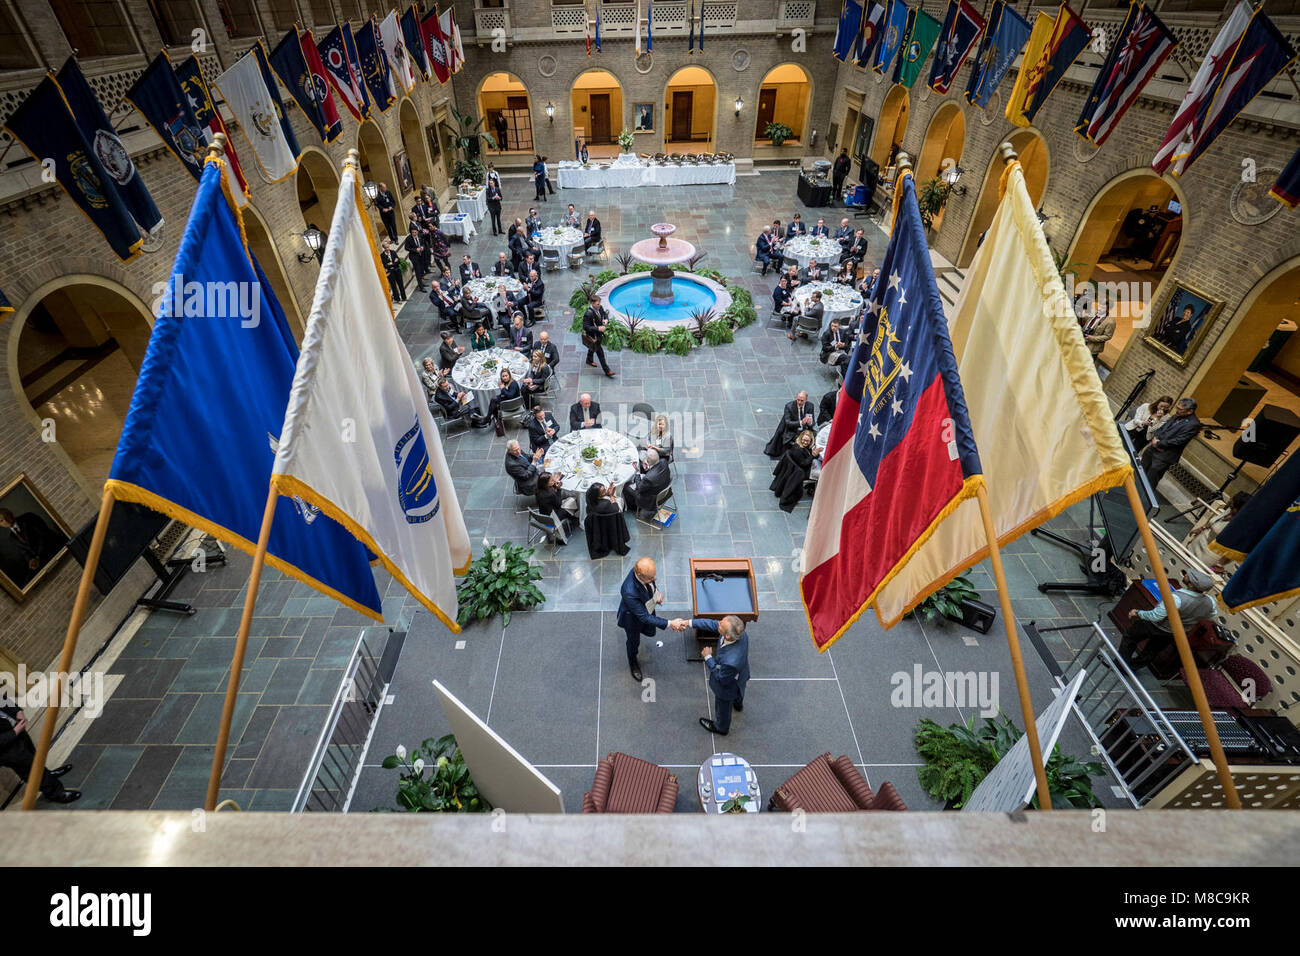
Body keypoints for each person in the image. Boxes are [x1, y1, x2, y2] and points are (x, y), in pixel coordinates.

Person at [1120, 568, 1217, 669]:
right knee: (1152, 651)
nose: (1185, 575)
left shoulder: (1176, 598)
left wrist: (1138, 613)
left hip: (1155, 626)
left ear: (1192, 585)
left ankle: (1120, 665)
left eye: (1188, 576)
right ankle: (1132, 667)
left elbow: (1156, 616)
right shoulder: (1210, 602)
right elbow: (1210, 616)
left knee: (1130, 637)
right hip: (1174, 633)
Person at [616, 557, 689, 682]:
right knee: (633, 642)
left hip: (645, 607)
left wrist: (656, 593)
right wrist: (670, 623)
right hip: (632, 619)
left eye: (654, 576)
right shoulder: (629, 591)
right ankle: (633, 662)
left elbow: (650, 584)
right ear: (639, 574)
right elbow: (644, 617)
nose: (654, 579)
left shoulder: (643, 573)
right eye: (651, 578)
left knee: (648, 629)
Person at [0, 695, 79, 803]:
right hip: (5, 748)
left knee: (34, 758)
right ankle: (56, 793)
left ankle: (47, 774)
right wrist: (14, 732)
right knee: (30, 770)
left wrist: (17, 711)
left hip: (15, 728)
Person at [695, 615, 750, 735]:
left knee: (723, 706)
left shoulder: (731, 661)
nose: (718, 623)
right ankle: (738, 703)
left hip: (727, 685)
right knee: (740, 690)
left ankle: (721, 727)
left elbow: (721, 678)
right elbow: (710, 624)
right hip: (741, 674)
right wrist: (688, 623)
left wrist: (708, 657)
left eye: (720, 624)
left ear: (728, 636)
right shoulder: (740, 632)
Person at [1140, 397, 1200, 492]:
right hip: (1153, 449)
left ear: (1190, 411)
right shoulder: (1176, 415)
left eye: (1180, 409)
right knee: (1140, 471)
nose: (1177, 410)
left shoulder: (1193, 424)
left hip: (1164, 455)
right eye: (1177, 407)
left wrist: (1159, 443)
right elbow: (1163, 427)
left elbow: (1179, 440)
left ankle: (1142, 501)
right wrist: (1155, 437)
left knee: (1150, 480)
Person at [1184, 491, 1251, 573]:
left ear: (1240, 509)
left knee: (1191, 573)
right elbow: (1214, 521)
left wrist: (1220, 564)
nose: (1230, 501)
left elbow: (1234, 548)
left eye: (1233, 505)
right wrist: (1201, 529)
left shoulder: (1240, 526)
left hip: (1209, 555)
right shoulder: (1229, 510)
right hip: (1199, 541)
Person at [771, 429, 821, 512]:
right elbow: (803, 463)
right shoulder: (797, 449)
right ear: (801, 438)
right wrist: (812, 455)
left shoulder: (804, 447)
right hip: (800, 471)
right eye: (804, 440)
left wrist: (813, 455)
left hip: (801, 467)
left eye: (807, 441)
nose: (805, 442)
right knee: (820, 473)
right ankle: (812, 487)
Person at [585, 482, 630, 559]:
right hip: (609, 522)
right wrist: (611, 495)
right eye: (603, 491)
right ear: (598, 495)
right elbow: (616, 509)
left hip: (597, 523)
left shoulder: (589, 499)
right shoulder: (605, 504)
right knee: (620, 500)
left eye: (604, 488)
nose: (606, 490)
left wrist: (607, 493)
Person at [765, 391, 815, 458]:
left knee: (811, 439)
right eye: (798, 400)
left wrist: (810, 423)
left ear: (806, 400)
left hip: (805, 429)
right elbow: (788, 423)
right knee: (801, 441)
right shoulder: (789, 406)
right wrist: (800, 423)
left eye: (802, 401)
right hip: (792, 430)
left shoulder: (810, 406)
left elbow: (813, 421)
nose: (799, 402)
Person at [624, 448, 671, 516]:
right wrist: (648, 468)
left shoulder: (648, 478)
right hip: (664, 489)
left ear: (648, 461)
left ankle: (634, 507)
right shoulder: (664, 461)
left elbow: (639, 488)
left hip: (650, 500)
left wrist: (637, 472)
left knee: (626, 487)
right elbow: (656, 469)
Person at [534, 471, 577, 542]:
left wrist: (554, 486)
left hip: (543, 513)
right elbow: (559, 504)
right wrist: (558, 489)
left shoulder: (538, 490)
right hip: (553, 516)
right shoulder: (550, 494)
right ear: (546, 483)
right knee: (572, 500)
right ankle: (573, 517)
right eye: (551, 480)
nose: (554, 480)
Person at [582, 298, 615, 377]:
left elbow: (604, 313)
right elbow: (585, 327)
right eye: (597, 304)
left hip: (598, 335)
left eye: (599, 303)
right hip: (593, 336)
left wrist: (606, 319)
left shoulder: (599, 307)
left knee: (592, 347)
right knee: (600, 353)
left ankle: (589, 360)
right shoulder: (588, 314)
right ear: (592, 303)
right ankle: (607, 371)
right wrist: (598, 328)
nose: (599, 305)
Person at [403, 223, 429, 292]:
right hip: (414, 257)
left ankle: (421, 283)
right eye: (412, 232)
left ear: (417, 231)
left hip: (421, 255)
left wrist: (423, 247)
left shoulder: (420, 236)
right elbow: (406, 248)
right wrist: (415, 250)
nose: (414, 234)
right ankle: (421, 287)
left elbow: (423, 243)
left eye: (415, 232)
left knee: (421, 270)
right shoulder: (408, 239)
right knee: (417, 271)